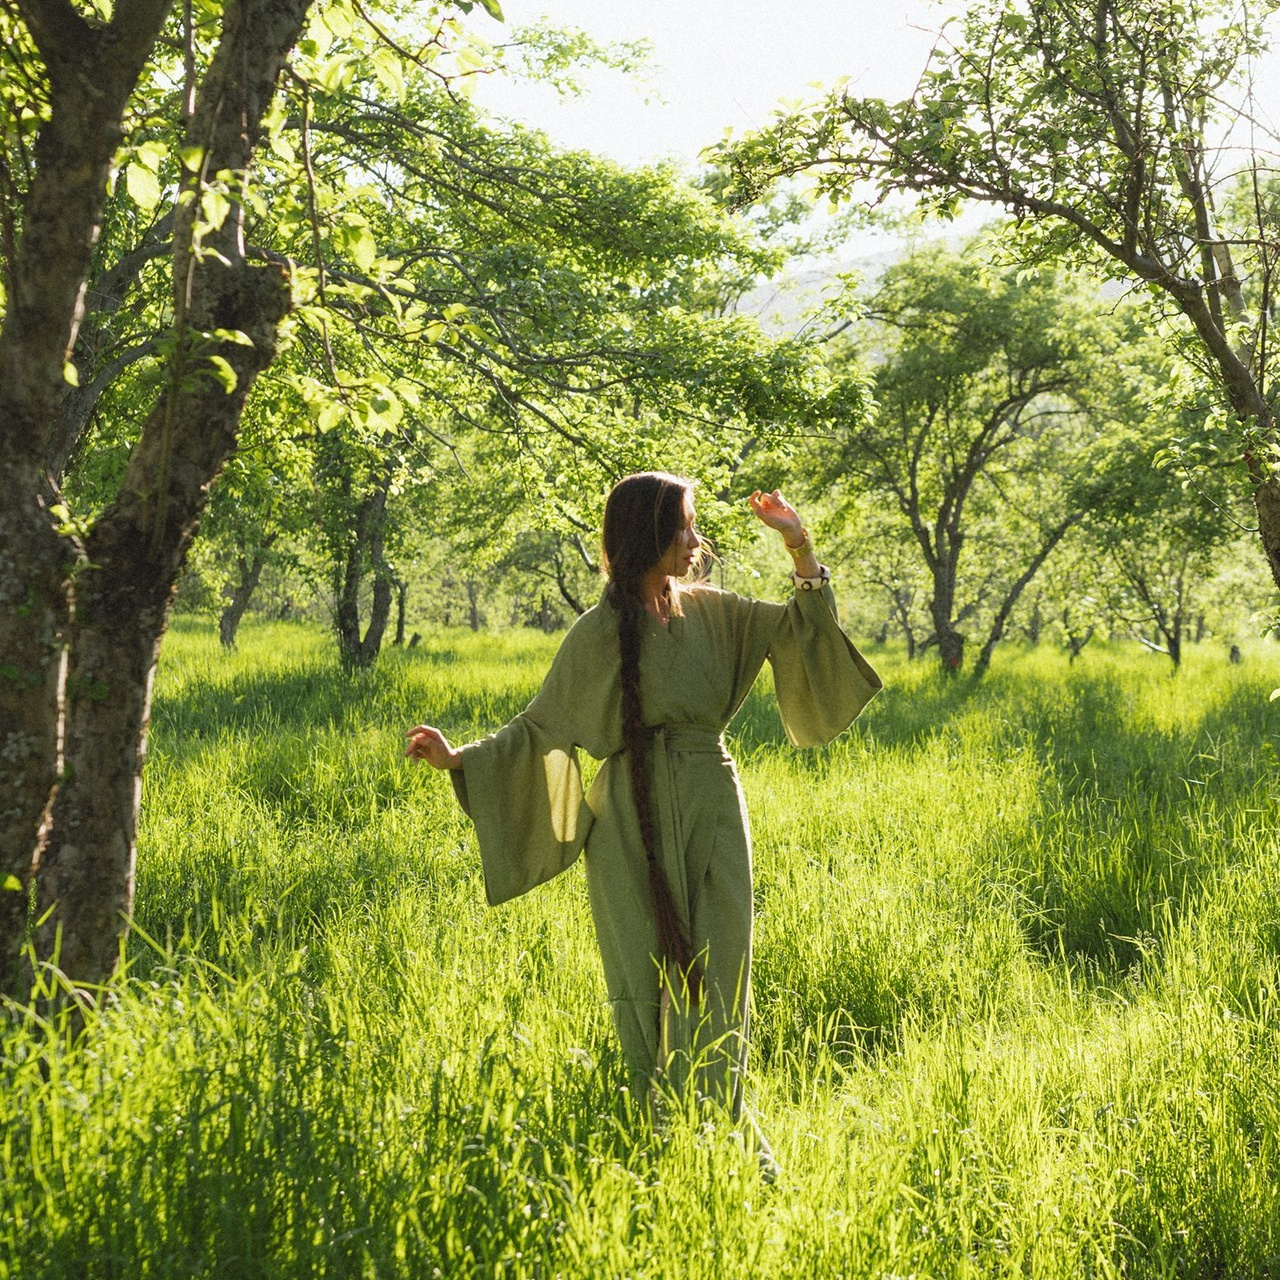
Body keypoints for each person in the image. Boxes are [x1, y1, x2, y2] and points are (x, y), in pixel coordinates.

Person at [405, 472, 881, 1171]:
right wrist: (459, 762)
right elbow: (542, 733)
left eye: (692, 527)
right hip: (626, 822)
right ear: (646, 537)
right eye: (684, 527)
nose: (697, 541)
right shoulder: (596, 633)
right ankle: (658, 1139)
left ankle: (733, 1138)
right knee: (643, 978)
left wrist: (799, 544)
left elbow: (801, 630)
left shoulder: (714, 614)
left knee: (720, 974)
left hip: (712, 807)